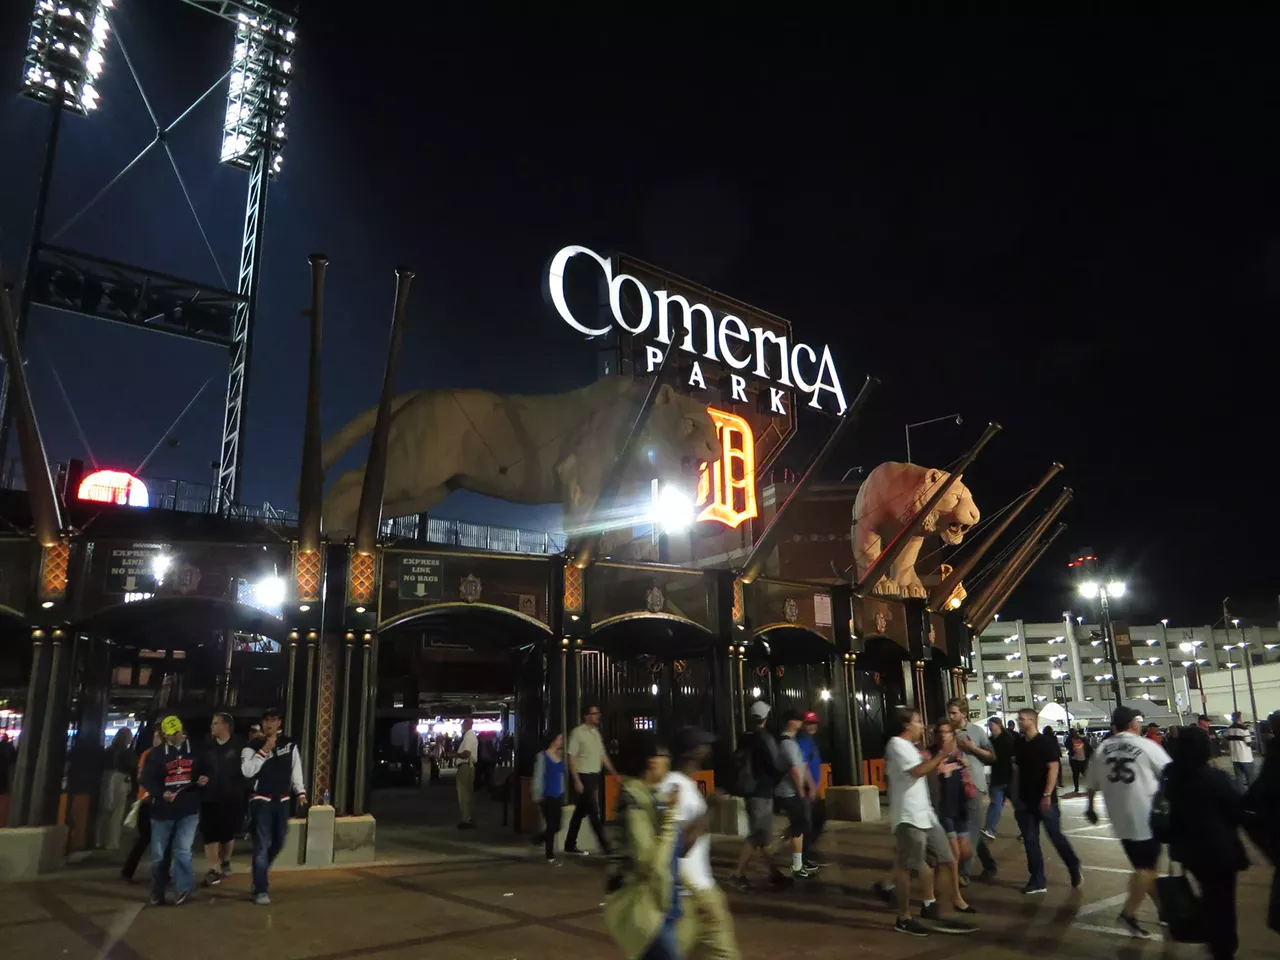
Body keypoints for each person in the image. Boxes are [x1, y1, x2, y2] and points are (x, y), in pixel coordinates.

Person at [884, 705, 975, 937]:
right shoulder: (897, 745)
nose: (922, 726)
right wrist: (943, 754)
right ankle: (903, 917)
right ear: (906, 725)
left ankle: (932, 905)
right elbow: (917, 772)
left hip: (925, 814)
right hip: (908, 817)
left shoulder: (912, 747)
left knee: (946, 858)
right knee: (907, 866)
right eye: (917, 721)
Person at [602, 730, 694, 960]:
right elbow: (649, 861)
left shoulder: (650, 797)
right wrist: (671, 818)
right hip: (642, 907)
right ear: (651, 761)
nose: (668, 762)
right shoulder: (633, 800)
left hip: (658, 906)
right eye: (665, 756)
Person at [1084, 706, 1171, 937]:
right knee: (1146, 869)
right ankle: (1128, 914)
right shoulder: (1145, 745)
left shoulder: (1102, 748)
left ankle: (1165, 911)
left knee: (1145, 868)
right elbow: (1170, 771)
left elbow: (1091, 783)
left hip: (1119, 818)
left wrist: (1090, 807)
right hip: (1145, 815)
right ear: (1133, 723)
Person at [1166, 724, 1248, 960]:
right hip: (1219, 851)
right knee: (1222, 901)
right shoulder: (1215, 777)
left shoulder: (1172, 777)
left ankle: (1215, 941)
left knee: (1209, 896)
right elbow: (1237, 808)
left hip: (1189, 851)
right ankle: (1223, 948)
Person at [664, 726, 740, 960]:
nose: (709, 749)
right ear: (692, 752)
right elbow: (677, 846)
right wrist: (709, 811)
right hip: (687, 897)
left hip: (704, 893)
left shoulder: (687, 785)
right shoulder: (673, 787)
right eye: (703, 745)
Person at [240, 707, 307, 905]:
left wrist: (300, 792)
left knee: (278, 842)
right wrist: (264, 750)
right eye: (266, 720)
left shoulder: (289, 744)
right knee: (261, 845)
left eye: (274, 719)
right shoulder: (252, 746)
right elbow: (247, 771)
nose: (269, 723)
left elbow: (296, 768)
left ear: (279, 723)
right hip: (261, 801)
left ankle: (259, 872)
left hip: (283, 800)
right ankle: (261, 889)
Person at [1012, 707, 1081, 894]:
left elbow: (1053, 768)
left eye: (1022, 719)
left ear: (1032, 721)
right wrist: (1016, 795)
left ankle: (1073, 864)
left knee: (1055, 836)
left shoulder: (1045, 742)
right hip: (1025, 800)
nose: (1019, 721)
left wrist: (1047, 794)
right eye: (1018, 719)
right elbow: (1017, 771)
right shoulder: (1019, 744)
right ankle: (1037, 880)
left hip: (1044, 800)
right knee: (1030, 840)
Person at [140, 716, 205, 906]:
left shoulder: (195, 750)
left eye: (176, 733)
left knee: (182, 849)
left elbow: (207, 768)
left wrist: (203, 778)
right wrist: (161, 793)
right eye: (170, 734)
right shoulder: (156, 754)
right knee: (160, 855)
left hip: (188, 809)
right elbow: (146, 779)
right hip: (162, 811)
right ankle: (158, 890)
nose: (174, 737)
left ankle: (183, 888)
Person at [729, 701, 788, 891]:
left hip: (749, 791)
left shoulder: (745, 738)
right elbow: (775, 766)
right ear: (766, 717)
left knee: (762, 835)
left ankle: (774, 873)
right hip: (762, 792)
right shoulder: (766, 739)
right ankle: (737, 874)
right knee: (757, 835)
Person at [925, 721, 977, 915]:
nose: (943, 736)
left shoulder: (959, 752)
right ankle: (956, 898)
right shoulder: (931, 753)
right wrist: (936, 768)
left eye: (946, 732)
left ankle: (937, 891)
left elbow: (966, 775)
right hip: (943, 808)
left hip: (960, 806)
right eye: (940, 732)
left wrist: (966, 767)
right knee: (953, 857)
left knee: (965, 852)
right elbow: (925, 773)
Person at [945, 698, 998, 883]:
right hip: (953, 786)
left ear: (964, 713)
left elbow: (992, 756)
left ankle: (964, 873)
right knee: (966, 829)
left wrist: (972, 748)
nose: (951, 717)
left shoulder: (976, 731)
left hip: (973, 785)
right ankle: (989, 863)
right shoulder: (946, 731)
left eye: (954, 713)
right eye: (949, 713)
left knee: (971, 828)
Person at [199, 711, 246, 886]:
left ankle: (225, 860)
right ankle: (213, 868)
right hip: (209, 797)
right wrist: (200, 778)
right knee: (210, 834)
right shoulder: (207, 746)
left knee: (227, 833)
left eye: (215, 723)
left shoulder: (239, 746)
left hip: (231, 798)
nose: (212, 726)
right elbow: (199, 767)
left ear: (226, 726)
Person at [565, 704, 617, 855]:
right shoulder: (577, 733)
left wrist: (613, 773)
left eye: (597, 713)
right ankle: (604, 845)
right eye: (594, 713)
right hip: (584, 776)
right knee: (594, 813)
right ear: (586, 716)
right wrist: (576, 780)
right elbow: (572, 757)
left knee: (579, 813)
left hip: (594, 777)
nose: (597, 716)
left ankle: (569, 843)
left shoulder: (596, 733)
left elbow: (602, 755)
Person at [774, 709, 813, 880]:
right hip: (788, 792)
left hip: (787, 791)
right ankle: (797, 866)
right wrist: (801, 792)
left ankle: (776, 847)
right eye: (798, 720)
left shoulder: (788, 742)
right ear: (791, 722)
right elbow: (795, 771)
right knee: (799, 827)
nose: (801, 723)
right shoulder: (788, 744)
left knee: (799, 825)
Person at [121, 729, 162, 883]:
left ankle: (128, 871)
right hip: (149, 800)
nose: (155, 739)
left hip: (148, 799)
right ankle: (131, 871)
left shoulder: (149, 753)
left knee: (146, 838)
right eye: (155, 736)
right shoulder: (153, 754)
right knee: (148, 838)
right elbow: (143, 777)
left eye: (157, 736)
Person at [97, 727, 135, 850]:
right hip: (120, 780)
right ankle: (112, 842)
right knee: (117, 813)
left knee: (105, 811)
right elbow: (134, 766)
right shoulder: (125, 752)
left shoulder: (109, 750)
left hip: (106, 779)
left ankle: (99, 840)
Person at [797, 710, 826, 870]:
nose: (812, 726)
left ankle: (805, 852)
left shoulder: (811, 741)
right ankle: (803, 856)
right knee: (808, 823)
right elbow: (803, 765)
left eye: (814, 723)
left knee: (817, 818)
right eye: (809, 723)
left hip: (813, 788)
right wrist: (811, 786)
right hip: (808, 789)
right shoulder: (803, 741)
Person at [531, 731, 566, 863]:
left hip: (558, 794)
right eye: (559, 738)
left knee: (557, 826)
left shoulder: (560, 755)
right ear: (553, 740)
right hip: (547, 795)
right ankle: (549, 855)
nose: (561, 741)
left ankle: (539, 839)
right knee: (552, 825)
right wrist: (536, 795)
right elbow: (538, 776)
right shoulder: (542, 756)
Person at [981, 716, 1013, 842]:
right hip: (997, 777)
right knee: (995, 804)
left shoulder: (1007, 739)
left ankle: (1026, 829)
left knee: (1019, 806)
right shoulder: (990, 741)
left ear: (998, 725)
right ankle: (989, 829)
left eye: (991, 725)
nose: (990, 728)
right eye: (989, 725)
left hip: (1009, 777)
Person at [455, 718, 478, 829]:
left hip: (465, 766)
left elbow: (467, 753)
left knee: (463, 794)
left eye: (463, 724)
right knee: (467, 793)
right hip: (468, 766)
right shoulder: (470, 736)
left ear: (468, 724)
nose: (462, 726)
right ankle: (467, 818)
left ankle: (466, 819)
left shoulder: (469, 736)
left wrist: (455, 755)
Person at [1226, 712, 1255, 789]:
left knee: (1238, 779)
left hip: (1235, 757)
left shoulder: (1229, 729)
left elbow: (1226, 739)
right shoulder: (1244, 729)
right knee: (1250, 778)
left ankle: (1240, 794)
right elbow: (1249, 742)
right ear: (1239, 718)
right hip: (1246, 757)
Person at [1067, 727, 1092, 794]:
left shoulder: (1083, 739)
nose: (1075, 733)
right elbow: (1068, 747)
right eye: (1073, 732)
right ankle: (1076, 788)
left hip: (1083, 760)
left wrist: (1090, 756)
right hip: (1074, 760)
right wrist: (1071, 751)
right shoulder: (1069, 740)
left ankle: (1090, 787)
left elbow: (1089, 748)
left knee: (1086, 774)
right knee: (1075, 775)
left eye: (1076, 732)